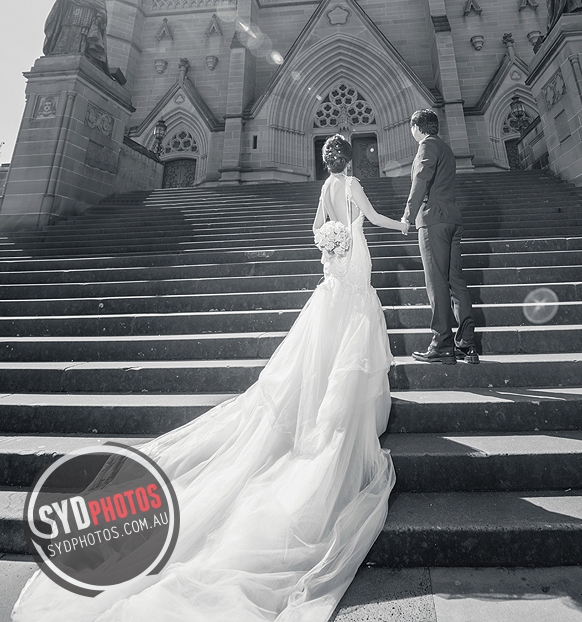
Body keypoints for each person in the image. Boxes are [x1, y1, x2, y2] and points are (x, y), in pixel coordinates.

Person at [13, 134, 405, 622]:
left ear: (327, 160)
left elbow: (315, 229)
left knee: (325, 335)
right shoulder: (351, 185)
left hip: (333, 269)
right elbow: (373, 218)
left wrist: (330, 241)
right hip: (354, 263)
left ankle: (322, 393)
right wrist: (402, 223)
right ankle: (342, 404)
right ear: (349, 159)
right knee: (352, 331)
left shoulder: (325, 187)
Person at [402, 109, 478, 365]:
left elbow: (421, 179)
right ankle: (466, 343)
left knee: (436, 281)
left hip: (433, 219)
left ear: (417, 127)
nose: (411, 132)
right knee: (456, 280)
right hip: (453, 219)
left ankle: (442, 344)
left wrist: (408, 215)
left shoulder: (427, 146)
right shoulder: (445, 147)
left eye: (412, 127)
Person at [43, 0, 109, 74]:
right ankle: (58, 52)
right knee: (65, 37)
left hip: (85, 22)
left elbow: (102, 11)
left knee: (80, 41)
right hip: (70, 19)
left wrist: (98, 19)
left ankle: (81, 53)